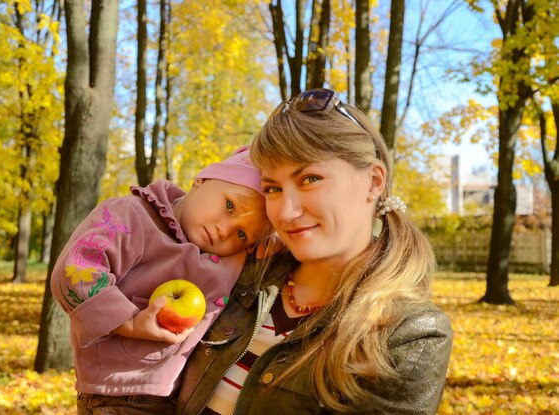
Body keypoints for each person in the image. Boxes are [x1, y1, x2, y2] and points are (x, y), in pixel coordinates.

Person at [176, 88, 453, 414]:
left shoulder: (408, 334)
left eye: (309, 178)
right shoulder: (241, 274)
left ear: (374, 181)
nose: (286, 212)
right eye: (273, 188)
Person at [50, 146, 272, 414]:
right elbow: (75, 271)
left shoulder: (229, 256)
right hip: (119, 396)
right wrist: (129, 322)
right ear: (201, 180)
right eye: (229, 206)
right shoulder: (132, 216)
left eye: (242, 234)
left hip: (178, 398)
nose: (224, 230)